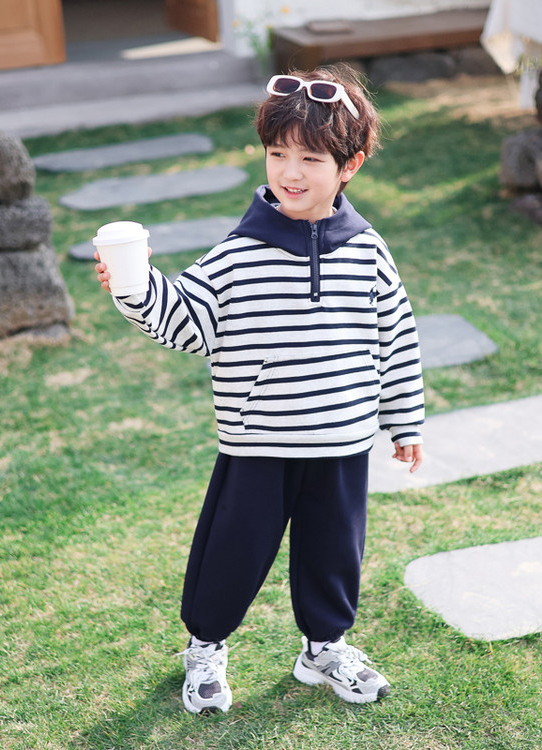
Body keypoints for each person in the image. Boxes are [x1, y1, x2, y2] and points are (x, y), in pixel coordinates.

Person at [95, 64, 425, 714]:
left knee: (334, 556)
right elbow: (187, 321)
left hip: (341, 445)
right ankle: (205, 649)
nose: (290, 172)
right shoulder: (239, 253)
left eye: (310, 158)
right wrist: (136, 288)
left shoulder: (368, 251)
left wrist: (405, 420)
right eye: (278, 154)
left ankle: (323, 650)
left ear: (350, 165)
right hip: (257, 447)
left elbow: (397, 338)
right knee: (231, 554)